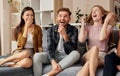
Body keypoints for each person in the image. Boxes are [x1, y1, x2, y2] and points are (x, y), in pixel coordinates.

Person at [33, 8, 80, 76]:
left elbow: (72, 49)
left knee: (76, 53)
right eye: (60, 16)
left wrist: (65, 35)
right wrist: (53, 62)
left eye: (65, 16)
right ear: (57, 18)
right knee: (37, 56)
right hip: (55, 55)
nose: (62, 18)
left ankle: (50, 74)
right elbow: (49, 48)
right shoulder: (50, 30)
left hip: (67, 56)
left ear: (69, 19)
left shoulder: (74, 30)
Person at [76, 5, 116, 76]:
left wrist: (106, 21)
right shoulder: (88, 28)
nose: (93, 12)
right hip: (89, 54)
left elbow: (102, 37)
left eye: (96, 10)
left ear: (102, 14)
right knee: (95, 48)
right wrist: (82, 24)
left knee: (89, 64)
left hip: (102, 57)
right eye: (92, 11)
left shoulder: (108, 27)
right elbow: (81, 39)